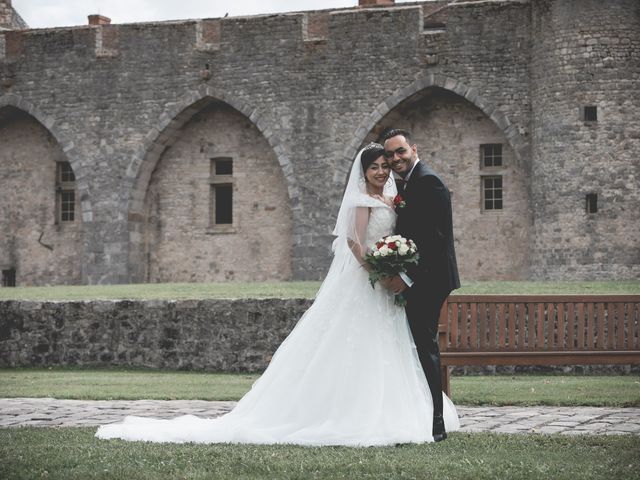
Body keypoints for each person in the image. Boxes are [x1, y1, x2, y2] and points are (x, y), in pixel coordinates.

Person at [95, 143, 459, 446]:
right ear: (362, 172)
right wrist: (380, 274)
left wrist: (394, 270)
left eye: (385, 165)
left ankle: (401, 412)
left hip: (387, 289)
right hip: (369, 283)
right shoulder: (363, 200)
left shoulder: (394, 197)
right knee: (355, 346)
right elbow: (352, 242)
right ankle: (347, 414)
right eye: (376, 166)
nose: (382, 171)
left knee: (389, 347)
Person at [381, 129, 460, 442]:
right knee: (415, 346)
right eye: (390, 154)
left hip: (429, 278)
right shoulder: (407, 183)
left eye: (400, 151)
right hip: (419, 276)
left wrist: (406, 277)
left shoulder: (428, 181)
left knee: (424, 346)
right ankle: (423, 415)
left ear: (413, 148)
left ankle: (436, 423)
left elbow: (434, 240)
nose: (396, 158)